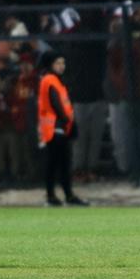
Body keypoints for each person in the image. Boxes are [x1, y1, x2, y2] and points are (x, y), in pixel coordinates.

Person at [37, 51, 88, 207]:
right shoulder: (50, 80)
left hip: (58, 128)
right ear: (50, 64)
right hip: (55, 128)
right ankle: (57, 196)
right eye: (58, 63)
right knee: (58, 163)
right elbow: (56, 103)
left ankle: (60, 195)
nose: (62, 66)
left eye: (63, 63)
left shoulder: (55, 80)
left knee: (59, 163)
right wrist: (66, 120)